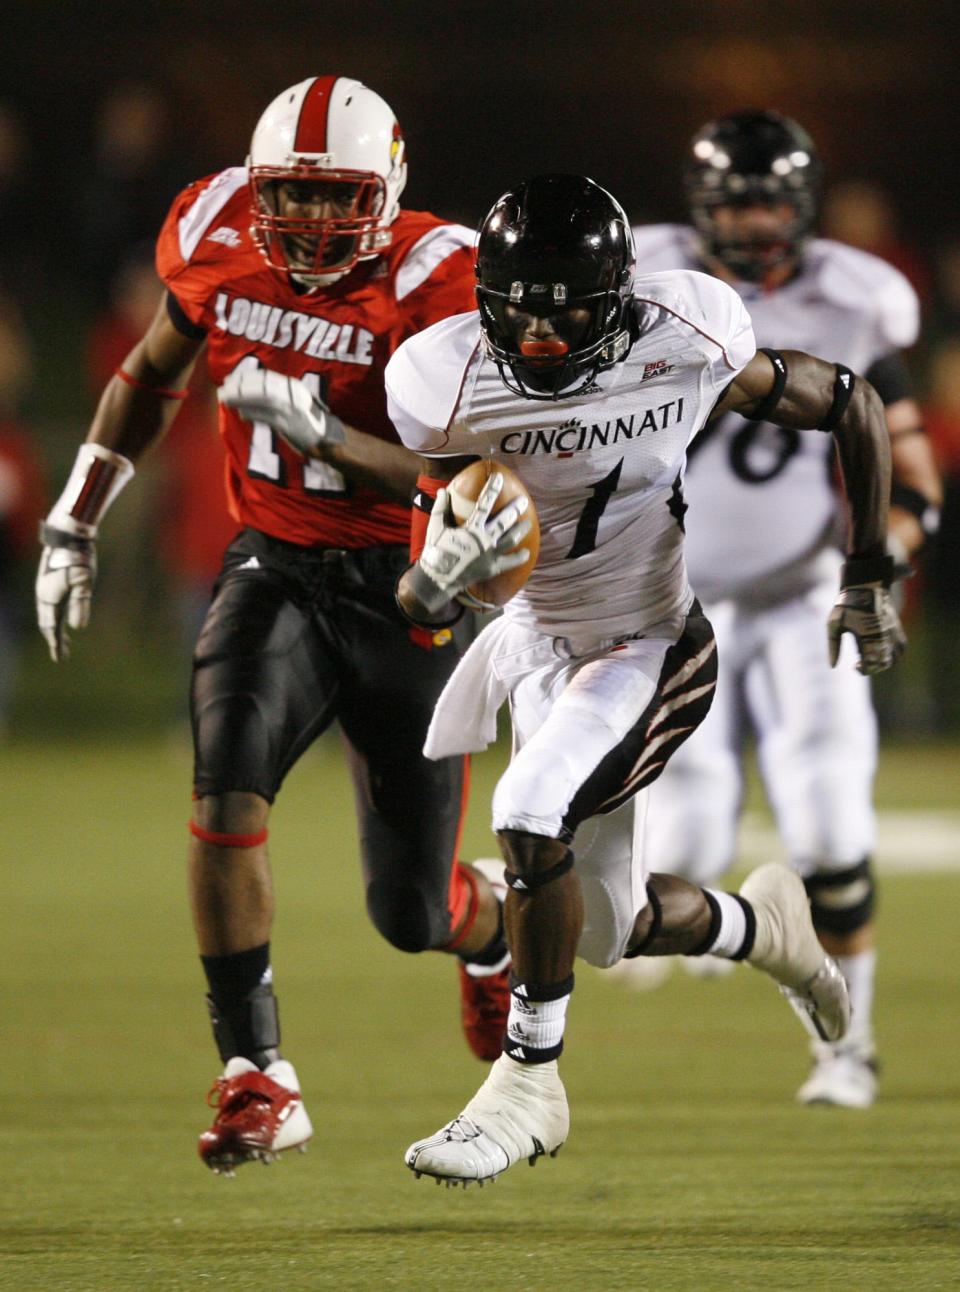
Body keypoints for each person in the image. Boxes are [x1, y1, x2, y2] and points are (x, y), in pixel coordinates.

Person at [34, 76, 513, 1176]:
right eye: (288, 195)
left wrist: (332, 440)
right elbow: (153, 371)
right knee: (224, 784)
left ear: (385, 191)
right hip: (274, 566)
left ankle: (483, 928)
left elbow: (477, 477)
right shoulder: (212, 231)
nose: (304, 221)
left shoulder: (443, 275)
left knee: (411, 908)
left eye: (331, 196)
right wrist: (77, 514)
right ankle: (258, 1071)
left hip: (410, 583)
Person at [387, 173, 904, 1186]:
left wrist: (870, 568)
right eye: (520, 307)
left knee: (531, 808)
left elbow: (854, 401)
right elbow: (435, 565)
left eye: (567, 307)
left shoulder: (686, 333)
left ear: (618, 295)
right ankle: (768, 928)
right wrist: (434, 580)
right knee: (605, 927)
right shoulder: (442, 376)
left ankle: (529, 1084)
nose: (540, 336)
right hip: (537, 650)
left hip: (649, 642)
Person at [624, 111, 942, 1108]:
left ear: (802, 207)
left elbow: (915, 478)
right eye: (736, 204)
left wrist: (875, 567)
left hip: (806, 589)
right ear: (700, 210)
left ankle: (848, 1045)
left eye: (771, 201)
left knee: (830, 817)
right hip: (673, 595)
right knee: (681, 833)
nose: (756, 223)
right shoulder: (649, 281)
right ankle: (726, 924)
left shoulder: (852, 299)